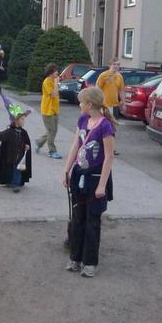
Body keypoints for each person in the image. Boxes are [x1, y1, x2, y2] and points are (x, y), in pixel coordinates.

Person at [61, 87, 116, 278]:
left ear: (90, 104)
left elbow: (109, 157)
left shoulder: (105, 126)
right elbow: (76, 145)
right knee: (78, 219)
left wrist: (101, 185)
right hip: (79, 176)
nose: (79, 105)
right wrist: (67, 170)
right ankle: (75, 258)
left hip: (95, 179)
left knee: (92, 222)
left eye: (81, 102)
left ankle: (90, 262)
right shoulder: (83, 120)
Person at [0, 103, 32, 193]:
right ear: (16, 121)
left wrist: (27, 146)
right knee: (9, 170)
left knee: (17, 170)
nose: (24, 121)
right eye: (22, 119)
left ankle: (16, 184)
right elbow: (1, 136)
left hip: (19, 157)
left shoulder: (23, 132)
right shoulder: (10, 132)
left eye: (24, 119)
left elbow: (26, 142)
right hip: (9, 156)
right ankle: (9, 181)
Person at [96, 59, 124, 155]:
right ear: (110, 65)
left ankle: (110, 148)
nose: (116, 66)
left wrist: (123, 102)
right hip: (105, 105)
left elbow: (121, 90)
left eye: (118, 64)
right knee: (102, 127)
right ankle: (100, 147)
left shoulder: (119, 76)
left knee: (112, 128)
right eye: (114, 64)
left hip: (115, 105)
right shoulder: (103, 75)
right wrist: (98, 102)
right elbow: (97, 88)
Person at [35, 63, 62, 159]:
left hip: (54, 110)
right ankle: (52, 151)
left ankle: (39, 142)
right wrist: (56, 83)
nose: (57, 73)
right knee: (51, 130)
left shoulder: (53, 81)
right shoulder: (47, 82)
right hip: (47, 110)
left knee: (53, 130)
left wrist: (56, 83)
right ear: (50, 73)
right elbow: (53, 94)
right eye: (55, 71)